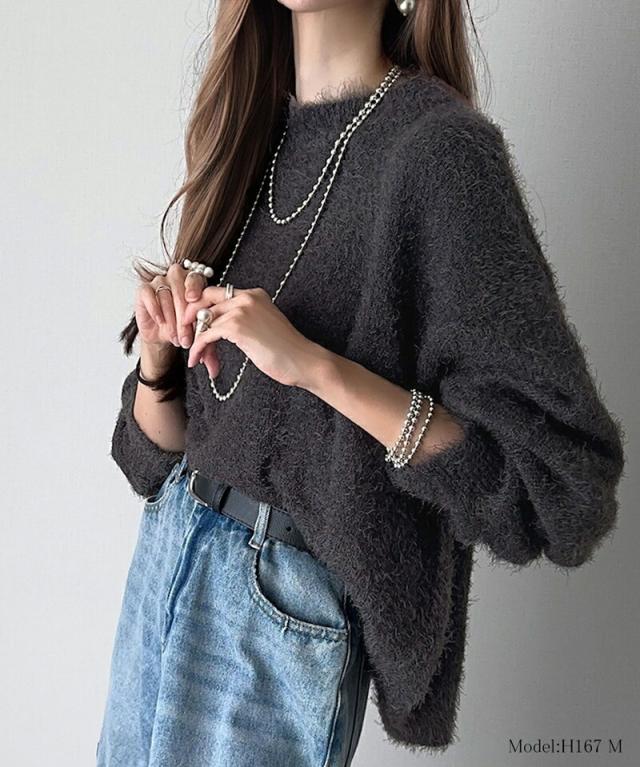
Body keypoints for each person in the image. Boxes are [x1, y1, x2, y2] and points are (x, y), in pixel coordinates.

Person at [96, 1, 626, 765]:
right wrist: (158, 359)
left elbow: (562, 490)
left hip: (276, 606)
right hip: (168, 558)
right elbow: (151, 459)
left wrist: (316, 368)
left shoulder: (440, 154)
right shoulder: (250, 126)